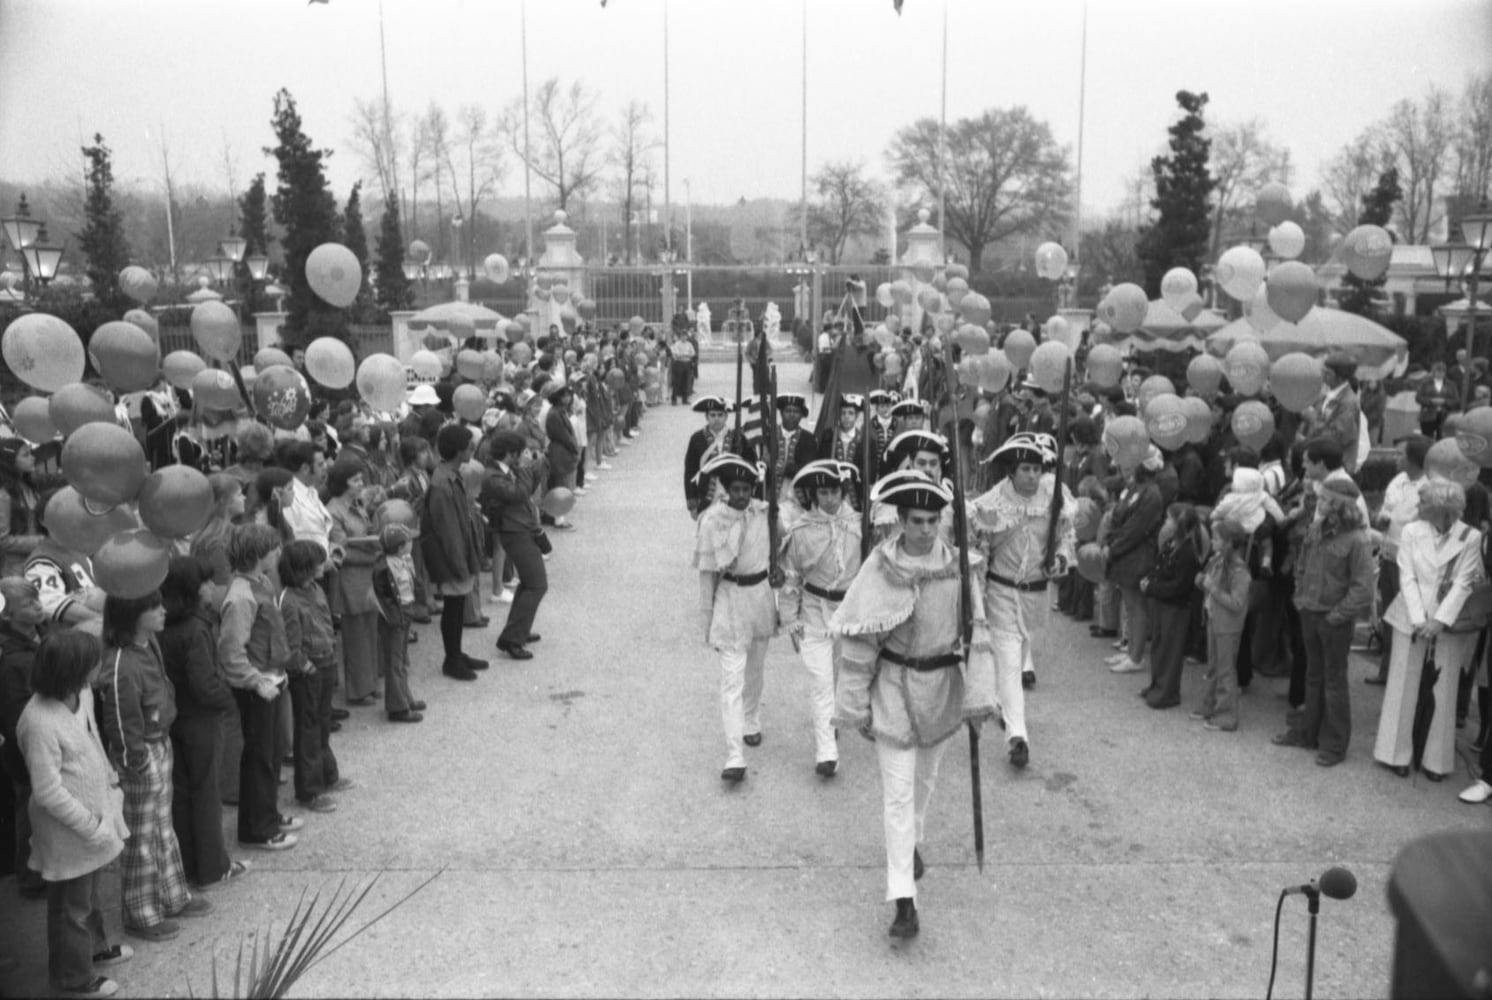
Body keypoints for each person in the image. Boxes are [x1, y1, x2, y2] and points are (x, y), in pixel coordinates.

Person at [829, 473, 997, 940]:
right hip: (893, 689)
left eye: (933, 520)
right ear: (900, 521)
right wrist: (854, 705)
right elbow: (861, 641)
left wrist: (980, 697)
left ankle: (913, 843)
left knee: (924, 784)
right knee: (898, 796)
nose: (926, 529)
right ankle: (903, 897)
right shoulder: (880, 568)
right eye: (917, 521)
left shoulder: (961, 568)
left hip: (942, 688)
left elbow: (977, 633)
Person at [18, 630, 131, 999]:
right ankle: (75, 977)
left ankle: (96, 948)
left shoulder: (80, 693)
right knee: (71, 906)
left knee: (89, 896)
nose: (99, 665)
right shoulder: (38, 722)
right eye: (92, 661)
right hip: (69, 832)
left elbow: (93, 737)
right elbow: (48, 791)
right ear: (71, 669)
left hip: (94, 820)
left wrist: (110, 780)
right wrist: (91, 826)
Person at [95, 590, 213, 941]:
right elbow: (119, 717)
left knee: (163, 826)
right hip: (141, 755)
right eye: (153, 607)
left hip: (159, 744)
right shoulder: (119, 663)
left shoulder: (150, 644)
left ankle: (172, 894)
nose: (164, 610)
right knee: (142, 837)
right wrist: (136, 760)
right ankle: (141, 912)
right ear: (132, 615)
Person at [969, 433, 1074, 765]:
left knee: (1019, 652)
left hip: (1036, 593)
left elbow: (1064, 536)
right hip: (1001, 591)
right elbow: (979, 551)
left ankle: (1001, 702)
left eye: (1037, 468)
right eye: (1026, 469)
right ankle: (1017, 736)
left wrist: (1060, 557)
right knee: (1011, 663)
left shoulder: (1055, 495)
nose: (1033, 475)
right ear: (1012, 471)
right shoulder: (990, 504)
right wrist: (976, 600)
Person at [1374, 481, 1484, 781]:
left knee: (1444, 687)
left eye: (1423, 503)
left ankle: (1436, 760)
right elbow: (1406, 575)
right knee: (1402, 683)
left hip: (1447, 621)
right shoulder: (1412, 531)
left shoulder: (1471, 537)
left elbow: (1464, 582)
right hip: (1409, 615)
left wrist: (1439, 620)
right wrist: (1419, 617)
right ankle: (1395, 754)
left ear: (1439, 508)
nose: (1418, 507)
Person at [1271, 477, 1375, 767]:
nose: (1319, 502)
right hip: (1310, 612)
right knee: (1313, 676)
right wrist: (1300, 595)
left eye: (1326, 499)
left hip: (1333, 619)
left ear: (1339, 505)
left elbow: (1363, 588)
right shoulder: (1316, 529)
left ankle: (1335, 744)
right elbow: (1302, 563)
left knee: (1335, 682)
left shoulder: (1357, 539)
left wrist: (1336, 615)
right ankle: (1307, 733)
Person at [157, 557, 244, 889]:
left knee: (181, 795)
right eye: (205, 582)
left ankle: (188, 865)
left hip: (175, 719)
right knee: (207, 793)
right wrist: (227, 699)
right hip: (201, 720)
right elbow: (204, 682)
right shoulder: (196, 628)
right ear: (193, 589)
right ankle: (213, 866)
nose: (211, 587)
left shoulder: (164, 623)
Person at [693, 455, 779, 783]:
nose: (742, 496)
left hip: (759, 598)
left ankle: (752, 718)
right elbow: (705, 575)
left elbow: (782, 548)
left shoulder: (766, 513)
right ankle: (734, 754)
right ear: (726, 490)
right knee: (732, 679)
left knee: (755, 670)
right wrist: (707, 620)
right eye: (736, 490)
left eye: (748, 489)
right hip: (729, 599)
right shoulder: (712, 521)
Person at [218, 523, 300, 851]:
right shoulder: (240, 596)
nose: (278, 553)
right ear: (256, 555)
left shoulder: (261, 582)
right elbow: (231, 651)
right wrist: (256, 681)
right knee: (259, 757)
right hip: (256, 687)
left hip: (271, 677)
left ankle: (268, 813)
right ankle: (258, 828)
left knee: (273, 753)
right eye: (272, 549)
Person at [779, 460, 862, 777]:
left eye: (835, 492)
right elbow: (791, 578)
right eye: (824, 492)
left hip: (848, 614)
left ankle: (832, 721)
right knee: (820, 682)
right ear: (814, 495)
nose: (830, 499)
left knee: (838, 676)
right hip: (814, 611)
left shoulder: (858, 525)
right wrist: (790, 618)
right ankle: (826, 751)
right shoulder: (801, 531)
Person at [277, 540, 345, 814]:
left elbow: (326, 622)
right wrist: (306, 667)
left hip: (326, 661)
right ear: (304, 568)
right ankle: (309, 790)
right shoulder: (289, 601)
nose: (323, 566)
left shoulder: (316, 589)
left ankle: (328, 775)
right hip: (310, 670)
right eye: (317, 563)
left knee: (323, 722)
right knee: (307, 728)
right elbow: (290, 646)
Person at [421, 424, 488, 680]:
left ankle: (457, 653)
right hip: (451, 556)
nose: (472, 449)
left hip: (459, 551)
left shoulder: (451, 474)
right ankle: (451, 659)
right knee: (453, 606)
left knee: (458, 605)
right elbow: (447, 531)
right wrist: (460, 563)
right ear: (458, 450)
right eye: (469, 446)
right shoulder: (441, 483)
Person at [1368, 435, 1431, 685]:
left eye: (1401, 454)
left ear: (1415, 459)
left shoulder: (1427, 488)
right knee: (1387, 615)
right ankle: (1386, 670)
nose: (1396, 458)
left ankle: (1402, 675)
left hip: (1409, 563)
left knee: (1404, 617)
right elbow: (1387, 508)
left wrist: (1393, 522)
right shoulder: (1397, 481)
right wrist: (1382, 517)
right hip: (1388, 556)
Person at [479, 431, 547, 662]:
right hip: (514, 531)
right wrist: (527, 469)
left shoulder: (505, 470)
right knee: (537, 585)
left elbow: (528, 487)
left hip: (520, 527)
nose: (521, 457)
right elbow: (518, 493)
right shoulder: (492, 476)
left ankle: (520, 630)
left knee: (528, 583)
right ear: (510, 454)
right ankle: (511, 638)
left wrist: (536, 465)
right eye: (519, 453)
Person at [323, 458, 383, 706]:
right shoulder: (334, 510)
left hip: (365, 574)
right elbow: (341, 550)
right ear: (343, 483)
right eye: (355, 480)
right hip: (350, 577)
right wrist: (374, 551)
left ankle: (369, 683)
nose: (361, 483)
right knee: (356, 636)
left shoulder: (355, 503)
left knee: (370, 632)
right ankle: (358, 689)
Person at [0, 576, 45, 898]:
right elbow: (18, 715)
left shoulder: (35, 640)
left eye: (37, 599)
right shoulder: (13, 660)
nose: (38, 606)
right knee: (29, 810)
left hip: (39, 744)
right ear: (7, 615)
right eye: (28, 604)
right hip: (24, 750)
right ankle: (29, 878)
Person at [1138, 504, 1206, 710]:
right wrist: (1149, 579)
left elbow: (1180, 586)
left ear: (1179, 524)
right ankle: (1156, 684)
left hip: (1176, 608)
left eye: (1169, 519)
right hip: (1162, 603)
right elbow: (1160, 568)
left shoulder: (1188, 552)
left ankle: (1168, 692)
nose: (1165, 522)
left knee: (1171, 649)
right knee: (1158, 645)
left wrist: (1153, 587)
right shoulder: (1170, 544)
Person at [1104, 450, 1166, 675]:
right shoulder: (1134, 488)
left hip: (1138, 555)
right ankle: (1130, 649)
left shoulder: (1152, 494)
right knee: (1129, 605)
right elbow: (1120, 517)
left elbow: (1136, 529)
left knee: (1136, 606)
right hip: (1125, 554)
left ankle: (1136, 656)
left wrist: (1113, 547)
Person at [1192, 518, 1253, 731]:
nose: (1213, 541)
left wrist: (1213, 588)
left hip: (1228, 626)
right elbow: (1209, 586)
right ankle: (1210, 705)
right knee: (1213, 666)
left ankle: (1227, 715)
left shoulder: (1239, 571)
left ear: (1229, 542)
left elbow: (1237, 603)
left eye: (1217, 537)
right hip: (1214, 619)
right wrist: (1202, 582)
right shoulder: (1218, 561)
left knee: (1226, 670)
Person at [372, 525, 425, 722]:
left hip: (405, 613)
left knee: (401, 660)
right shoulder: (384, 568)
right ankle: (397, 707)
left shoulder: (401, 560)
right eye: (408, 541)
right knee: (394, 662)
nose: (412, 544)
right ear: (400, 546)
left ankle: (405, 697)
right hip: (395, 619)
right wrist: (396, 618)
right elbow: (384, 599)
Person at [683, 396, 755, 518]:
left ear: (726, 417)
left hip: (734, 495)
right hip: (707, 495)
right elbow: (690, 471)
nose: (716, 419)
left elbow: (751, 465)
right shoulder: (697, 439)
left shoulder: (738, 438)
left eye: (720, 415)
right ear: (706, 417)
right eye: (713, 415)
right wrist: (692, 503)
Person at [0, 438, 44, 579]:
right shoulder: (3, 496)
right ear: (10, 461)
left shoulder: (29, 485)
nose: (32, 458)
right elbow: (2, 540)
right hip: (17, 570)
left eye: (30, 453)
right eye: (26, 455)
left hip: (40, 560)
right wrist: (41, 541)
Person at [1415, 361, 1460, 439]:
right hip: (1427, 415)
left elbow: (1456, 400)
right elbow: (1418, 398)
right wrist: (1431, 401)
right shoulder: (1425, 383)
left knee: (1442, 438)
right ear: (1433, 372)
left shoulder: (1451, 384)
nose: (1440, 373)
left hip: (1445, 415)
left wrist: (1445, 402)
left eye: (1442, 371)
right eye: (1438, 371)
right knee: (1427, 438)